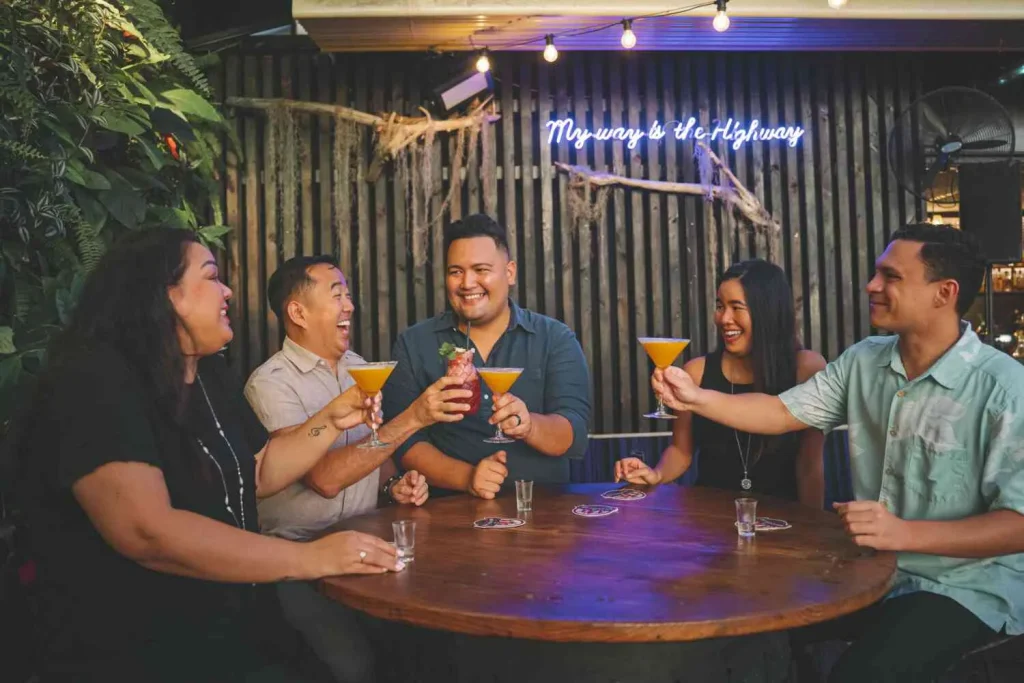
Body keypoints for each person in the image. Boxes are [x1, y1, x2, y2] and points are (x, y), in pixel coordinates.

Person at [14, 229, 403, 683]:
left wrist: (333, 418)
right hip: (133, 652)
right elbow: (146, 531)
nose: (228, 292)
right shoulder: (93, 380)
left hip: (231, 632)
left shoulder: (207, 374)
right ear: (165, 296)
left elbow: (256, 471)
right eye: (212, 277)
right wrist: (310, 558)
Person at [653, 224, 1024, 683]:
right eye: (875, 274)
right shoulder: (865, 360)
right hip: (871, 572)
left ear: (943, 293)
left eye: (890, 277)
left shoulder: (1005, 387)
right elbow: (781, 412)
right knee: (750, 625)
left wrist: (903, 533)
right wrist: (696, 397)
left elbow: (1019, 524)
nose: (871, 286)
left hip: (964, 587)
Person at [245, 255, 472, 682]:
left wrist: (394, 487)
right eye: (337, 295)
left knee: (427, 648)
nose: (349, 305)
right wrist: (414, 418)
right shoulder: (271, 383)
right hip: (299, 556)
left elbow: (372, 453)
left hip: (366, 545)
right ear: (298, 312)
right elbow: (325, 480)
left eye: (348, 294)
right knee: (355, 666)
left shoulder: (360, 368)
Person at [384, 213, 592, 498]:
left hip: (545, 514)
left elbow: (575, 434)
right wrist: (467, 478)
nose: (467, 283)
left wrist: (530, 425)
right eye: (455, 271)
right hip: (447, 514)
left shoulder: (554, 338)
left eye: (481, 269)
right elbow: (404, 441)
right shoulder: (414, 343)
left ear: (509, 273)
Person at [615, 260, 826, 507]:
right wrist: (656, 475)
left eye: (736, 307)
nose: (724, 318)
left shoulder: (806, 369)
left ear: (767, 311)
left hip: (782, 521)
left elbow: (809, 465)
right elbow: (681, 452)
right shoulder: (696, 372)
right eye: (719, 306)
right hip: (708, 521)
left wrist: (815, 530)